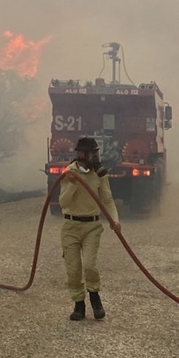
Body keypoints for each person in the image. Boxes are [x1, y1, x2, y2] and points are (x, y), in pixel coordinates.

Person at [59, 136, 121, 321]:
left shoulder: (99, 175)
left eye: (96, 153)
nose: (94, 157)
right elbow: (63, 202)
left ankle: (95, 297)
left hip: (92, 226)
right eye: (91, 154)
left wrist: (115, 221)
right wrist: (72, 184)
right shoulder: (69, 173)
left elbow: (107, 200)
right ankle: (79, 305)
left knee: (90, 265)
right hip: (70, 226)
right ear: (81, 154)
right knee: (73, 269)